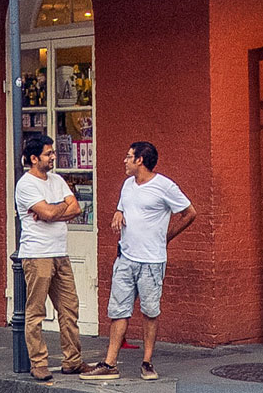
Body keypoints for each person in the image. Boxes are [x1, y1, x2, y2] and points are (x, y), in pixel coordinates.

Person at [83, 141, 196, 381]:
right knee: (118, 311)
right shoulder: (127, 185)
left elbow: (190, 213)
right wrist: (118, 212)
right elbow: (124, 207)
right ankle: (109, 363)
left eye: (128, 157)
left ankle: (147, 362)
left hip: (152, 261)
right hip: (125, 258)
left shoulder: (164, 186)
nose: (124, 160)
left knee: (149, 311)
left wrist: (168, 236)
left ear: (140, 161)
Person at [15, 132, 99, 382]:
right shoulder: (26, 184)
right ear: (33, 158)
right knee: (36, 311)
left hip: (60, 252)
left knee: (69, 308)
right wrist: (54, 211)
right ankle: (38, 363)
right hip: (37, 254)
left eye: (52, 152)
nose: (53, 157)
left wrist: (53, 212)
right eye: (48, 154)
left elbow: (75, 208)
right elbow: (52, 212)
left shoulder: (57, 180)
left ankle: (72, 361)